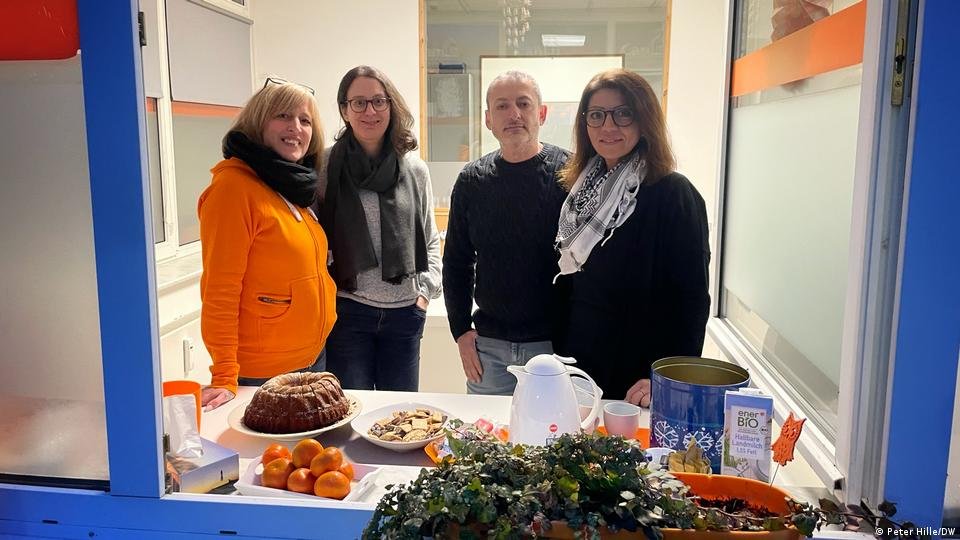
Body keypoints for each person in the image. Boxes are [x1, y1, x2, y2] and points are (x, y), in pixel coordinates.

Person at [555, 68, 710, 407]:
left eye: (622, 114)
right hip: (579, 369)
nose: (608, 127)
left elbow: (692, 300)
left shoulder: (673, 194)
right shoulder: (579, 193)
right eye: (596, 115)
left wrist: (667, 379)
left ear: (644, 120)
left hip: (639, 379)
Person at [198, 78, 337, 411]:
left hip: (311, 360)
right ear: (258, 121)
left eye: (305, 121)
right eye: (283, 116)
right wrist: (224, 375)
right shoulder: (233, 188)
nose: (296, 128)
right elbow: (220, 289)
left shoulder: (285, 186)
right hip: (263, 374)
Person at [442, 71, 570, 395]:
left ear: (541, 113)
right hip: (488, 351)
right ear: (488, 119)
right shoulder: (471, 181)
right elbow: (456, 263)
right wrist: (460, 331)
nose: (513, 114)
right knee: (485, 440)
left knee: (550, 442)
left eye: (523, 103)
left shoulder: (570, 174)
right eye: (502, 106)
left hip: (555, 349)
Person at [318, 66, 441, 391]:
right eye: (358, 102)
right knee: (350, 417)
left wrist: (424, 294)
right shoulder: (325, 166)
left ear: (391, 105)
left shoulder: (414, 168)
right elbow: (311, 241)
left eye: (378, 101)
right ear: (345, 110)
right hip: (348, 313)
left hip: (404, 315)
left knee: (400, 420)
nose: (369, 111)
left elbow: (431, 239)